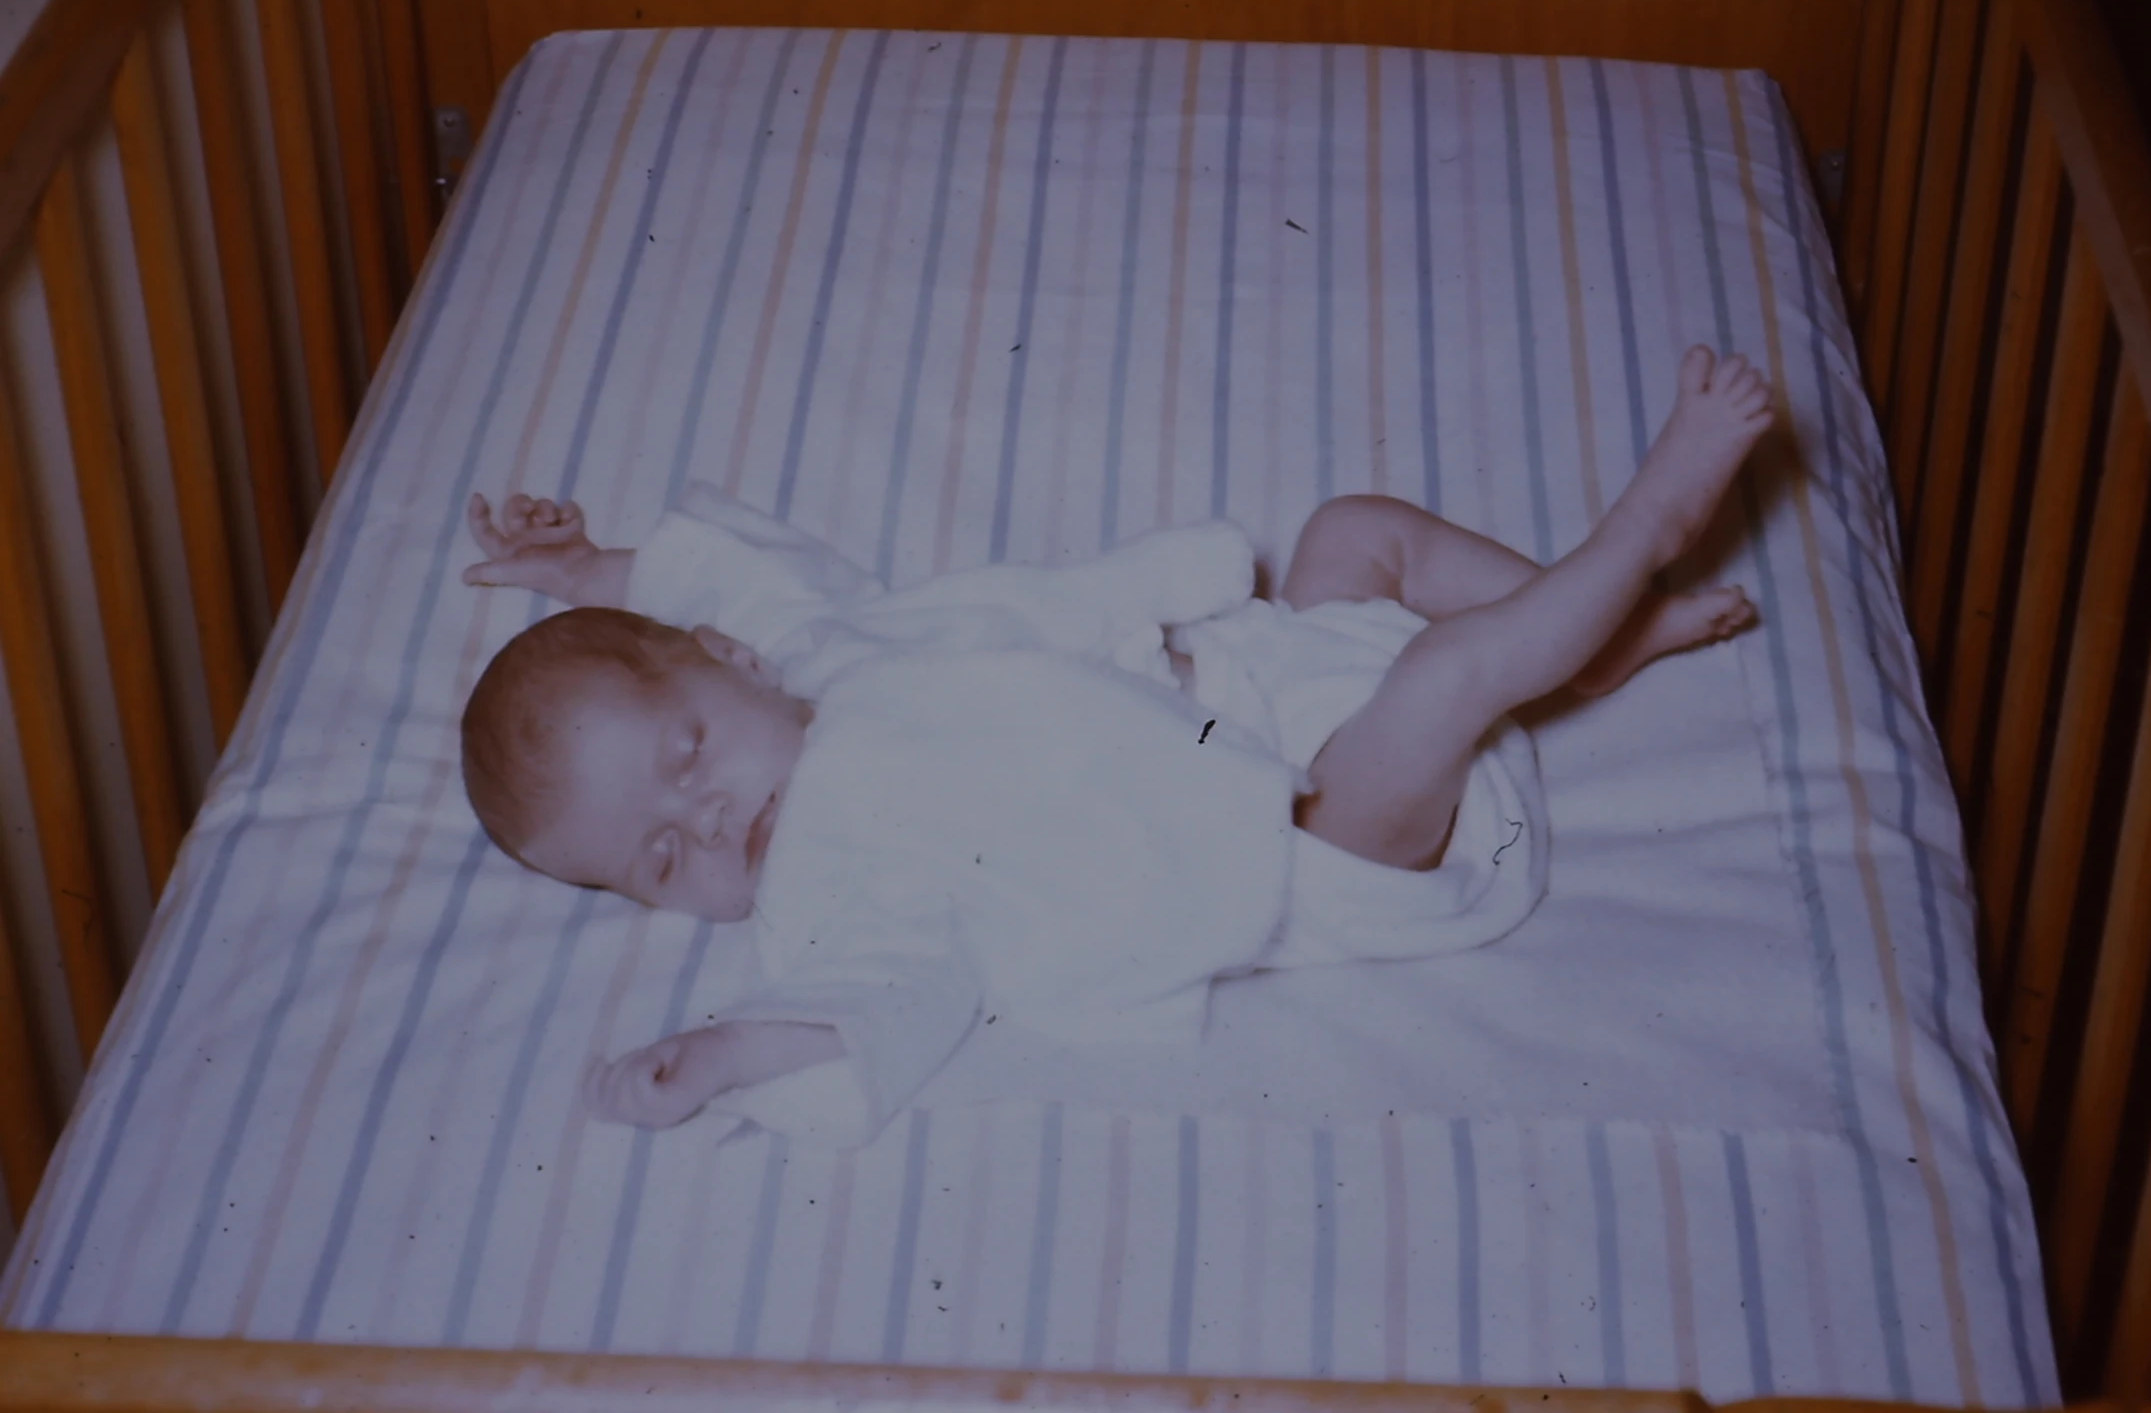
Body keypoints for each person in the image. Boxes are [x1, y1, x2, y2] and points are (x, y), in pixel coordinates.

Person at [459, 345, 1773, 1144]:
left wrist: (585, 567)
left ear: (730, 664)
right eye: (659, 858)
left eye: (687, 757)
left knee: (1352, 531)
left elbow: (743, 586)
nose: (706, 821)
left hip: (1256, 667)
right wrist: (731, 1052)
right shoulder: (830, 883)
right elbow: (874, 995)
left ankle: (1593, 639)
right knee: (1446, 672)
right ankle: (1644, 530)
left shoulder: (820, 651)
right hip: (1312, 836)